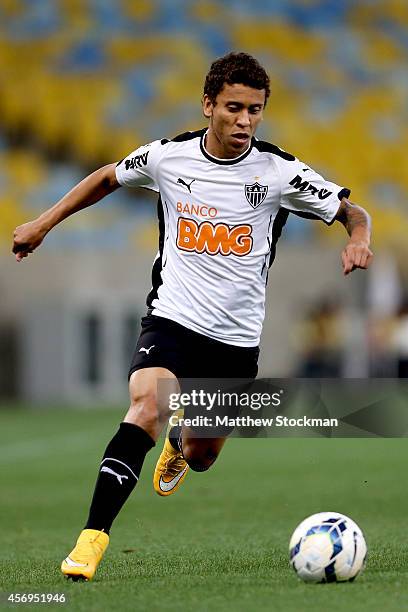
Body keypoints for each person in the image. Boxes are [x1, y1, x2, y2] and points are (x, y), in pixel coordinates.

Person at [12, 52, 373, 581]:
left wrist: (359, 238)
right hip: (172, 319)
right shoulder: (169, 158)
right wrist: (43, 223)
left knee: (203, 455)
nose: (245, 121)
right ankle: (90, 541)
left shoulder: (278, 171)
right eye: (234, 108)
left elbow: (351, 210)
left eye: (255, 110)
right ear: (208, 105)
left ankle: (184, 443)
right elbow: (108, 177)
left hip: (235, 341)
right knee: (145, 406)